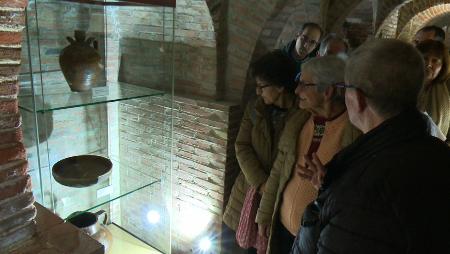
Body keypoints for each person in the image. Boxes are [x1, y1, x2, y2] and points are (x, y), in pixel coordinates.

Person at [291, 39, 450, 254]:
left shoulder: (361, 190)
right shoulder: (439, 152)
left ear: (357, 99)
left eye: (345, 88)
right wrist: (329, 184)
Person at [255, 56, 360, 254]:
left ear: (328, 91)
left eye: (304, 84)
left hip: (315, 243)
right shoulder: (299, 120)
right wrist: (265, 213)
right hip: (282, 230)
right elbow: (279, 170)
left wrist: (328, 182)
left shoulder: (354, 134)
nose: (296, 90)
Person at [222, 50, 298, 254]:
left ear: (281, 86)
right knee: (237, 243)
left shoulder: (301, 116)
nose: (257, 92)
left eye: (261, 86)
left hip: (277, 197)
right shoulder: (255, 108)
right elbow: (242, 146)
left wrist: (270, 187)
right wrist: (261, 182)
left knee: (267, 244)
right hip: (249, 186)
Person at [415, 40, 450, 142]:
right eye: (425, 58)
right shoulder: (406, 83)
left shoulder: (447, 87)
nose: (428, 64)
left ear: (442, 65)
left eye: (435, 61)